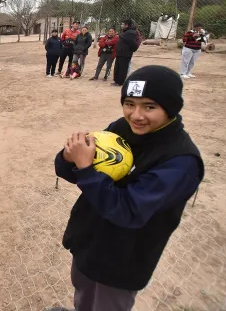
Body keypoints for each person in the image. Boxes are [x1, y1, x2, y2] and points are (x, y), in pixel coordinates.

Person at [51, 65, 204, 311]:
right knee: (82, 295)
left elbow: (130, 211)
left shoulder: (180, 162)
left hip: (122, 260)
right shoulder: (122, 128)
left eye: (149, 106)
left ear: (171, 107)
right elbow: (78, 170)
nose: (136, 115)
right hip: (90, 240)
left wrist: (85, 168)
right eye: (129, 103)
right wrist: (69, 158)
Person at [112, 19, 140, 86]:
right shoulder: (126, 32)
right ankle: (116, 80)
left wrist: (130, 50)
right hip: (120, 53)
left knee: (123, 68)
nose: (121, 25)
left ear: (126, 25)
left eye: (122, 24)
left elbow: (133, 44)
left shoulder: (130, 33)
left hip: (125, 54)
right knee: (117, 67)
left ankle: (120, 82)